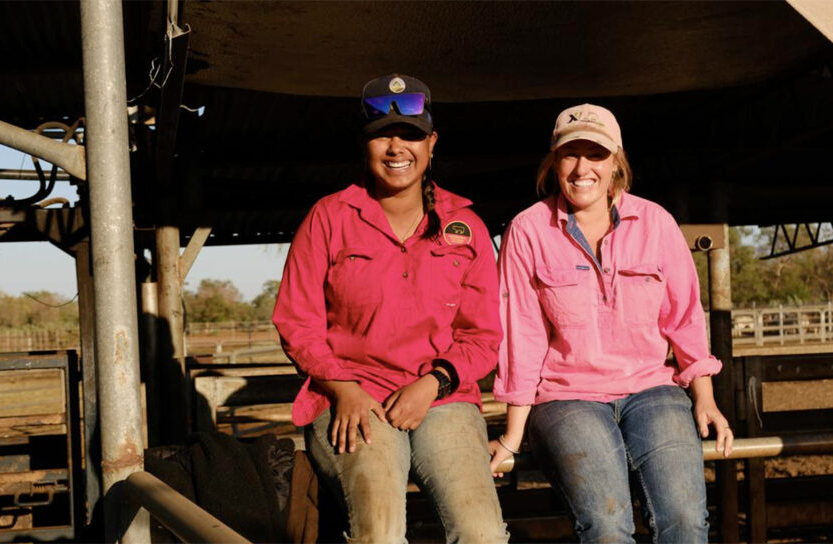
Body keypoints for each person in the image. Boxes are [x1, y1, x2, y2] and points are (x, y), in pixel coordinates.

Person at [273, 74, 508, 543]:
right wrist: (343, 388)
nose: (396, 146)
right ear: (365, 144)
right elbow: (297, 322)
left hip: (440, 396)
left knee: (481, 531)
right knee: (378, 529)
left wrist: (433, 382)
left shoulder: (466, 226)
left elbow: (483, 337)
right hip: (354, 399)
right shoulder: (329, 218)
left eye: (411, 134)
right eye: (383, 133)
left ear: (432, 144)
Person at [488, 104, 734, 543]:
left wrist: (705, 397)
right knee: (606, 524)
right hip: (567, 397)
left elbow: (684, 317)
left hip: (651, 389)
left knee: (684, 520)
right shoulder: (528, 230)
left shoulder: (655, 222)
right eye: (570, 154)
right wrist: (513, 434)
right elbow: (521, 337)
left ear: (616, 162)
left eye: (596, 154)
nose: (583, 167)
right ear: (553, 161)